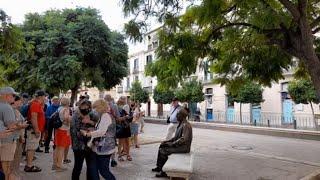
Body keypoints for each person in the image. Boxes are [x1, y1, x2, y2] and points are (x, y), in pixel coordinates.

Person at [152, 108, 193, 178]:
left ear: (182, 116)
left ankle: (164, 172)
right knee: (162, 145)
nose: (176, 116)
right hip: (179, 145)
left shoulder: (186, 125)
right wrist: (167, 141)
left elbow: (183, 139)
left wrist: (172, 144)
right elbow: (175, 137)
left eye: (178, 115)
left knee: (163, 150)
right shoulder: (181, 124)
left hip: (183, 148)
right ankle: (159, 167)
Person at [81, 99, 116, 180]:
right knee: (93, 169)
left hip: (105, 148)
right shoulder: (103, 115)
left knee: (104, 171)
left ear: (100, 107)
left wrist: (88, 134)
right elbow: (101, 129)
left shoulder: (105, 116)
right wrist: (92, 130)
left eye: (95, 108)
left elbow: (102, 132)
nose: (94, 110)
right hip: (100, 148)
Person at [0, 87, 27, 179]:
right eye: (13, 95)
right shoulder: (7, 107)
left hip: (4, 139)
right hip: (7, 140)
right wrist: (21, 125)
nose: (14, 97)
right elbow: (11, 126)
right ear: (7, 95)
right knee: (7, 166)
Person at [70, 100, 99, 180]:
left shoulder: (92, 114)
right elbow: (74, 131)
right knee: (78, 166)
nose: (86, 109)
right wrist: (86, 131)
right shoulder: (75, 116)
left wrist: (91, 123)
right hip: (79, 146)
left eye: (88, 107)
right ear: (80, 106)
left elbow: (98, 126)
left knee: (90, 167)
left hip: (90, 144)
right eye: (84, 107)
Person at [25, 90, 46, 172]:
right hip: (34, 131)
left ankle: (29, 164)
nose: (45, 98)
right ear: (41, 97)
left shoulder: (37, 104)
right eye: (44, 96)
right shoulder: (35, 104)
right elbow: (34, 118)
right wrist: (37, 130)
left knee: (32, 148)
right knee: (31, 148)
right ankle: (29, 166)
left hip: (34, 130)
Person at [11, 95, 28, 179]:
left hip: (18, 136)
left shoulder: (16, 110)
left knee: (17, 157)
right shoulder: (12, 111)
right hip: (15, 137)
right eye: (20, 101)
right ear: (15, 101)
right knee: (15, 158)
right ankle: (13, 175)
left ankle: (15, 174)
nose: (21, 102)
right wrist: (22, 126)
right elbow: (15, 125)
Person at [52, 97, 71, 171]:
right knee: (61, 148)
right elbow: (66, 117)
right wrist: (69, 120)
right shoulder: (66, 109)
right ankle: (59, 166)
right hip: (64, 130)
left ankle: (55, 164)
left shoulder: (59, 108)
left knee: (57, 147)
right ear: (68, 103)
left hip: (58, 130)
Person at [104, 94, 119, 167]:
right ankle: (113, 159)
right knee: (113, 142)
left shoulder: (102, 106)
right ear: (111, 99)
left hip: (104, 126)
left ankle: (105, 158)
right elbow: (118, 117)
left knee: (104, 141)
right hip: (112, 126)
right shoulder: (115, 106)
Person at [116, 96, 132, 161]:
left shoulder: (124, 109)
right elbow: (117, 119)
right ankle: (119, 155)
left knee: (127, 142)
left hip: (126, 127)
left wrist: (129, 116)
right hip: (121, 128)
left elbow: (128, 116)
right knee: (120, 142)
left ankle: (128, 154)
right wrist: (125, 117)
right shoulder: (117, 110)